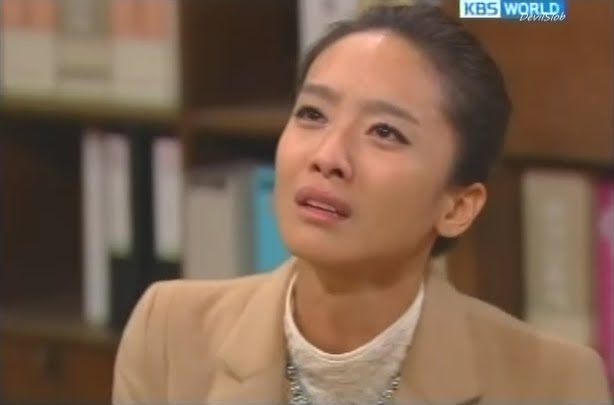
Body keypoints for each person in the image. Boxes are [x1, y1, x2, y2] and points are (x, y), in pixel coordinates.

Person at [112, 4, 611, 405]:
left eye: (385, 132)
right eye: (312, 114)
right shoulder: (170, 332)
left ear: (458, 207)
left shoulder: (554, 383)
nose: (328, 156)